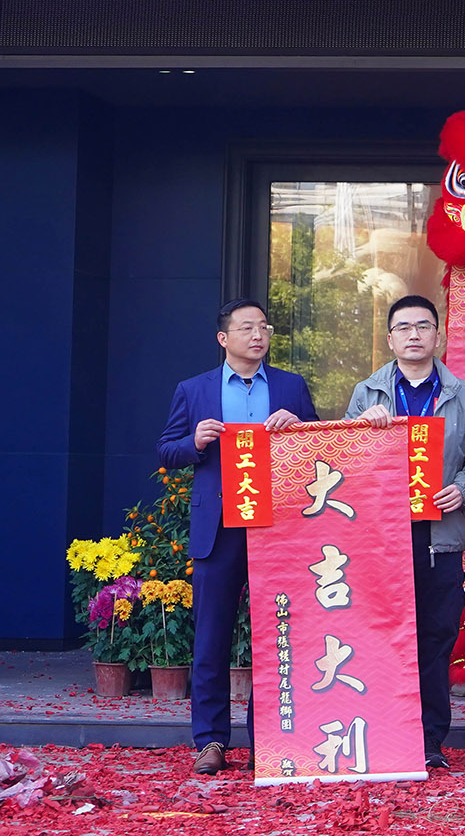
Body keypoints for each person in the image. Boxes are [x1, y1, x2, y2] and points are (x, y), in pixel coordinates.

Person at [156, 298, 317, 775]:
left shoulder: (290, 386)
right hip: (219, 527)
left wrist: (299, 429)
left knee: (277, 635)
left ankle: (270, 739)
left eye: (264, 327)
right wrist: (194, 442)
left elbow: (319, 444)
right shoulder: (194, 389)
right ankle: (210, 741)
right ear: (223, 338)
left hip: (277, 527)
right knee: (211, 638)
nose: (258, 335)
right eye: (247, 328)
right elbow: (166, 450)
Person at [343, 295, 465, 771]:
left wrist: (464, 488)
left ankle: (429, 741)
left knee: (435, 638)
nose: (414, 335)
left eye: (423, 326)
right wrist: (360, 431)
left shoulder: (464, 395)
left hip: (439, 538)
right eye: (403, 328)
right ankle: (382, 733)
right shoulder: (367, 393)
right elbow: (343, 462)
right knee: (381, 637)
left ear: (438, 336)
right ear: (390, 339)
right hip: (382, 541)